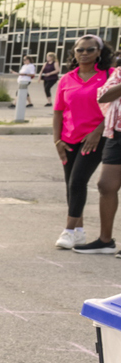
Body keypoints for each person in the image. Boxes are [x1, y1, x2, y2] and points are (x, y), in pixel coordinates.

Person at [54, 36, 116, 251]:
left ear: (99, 52)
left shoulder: (109, 75)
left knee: (78, 181)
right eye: (80, 49)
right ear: (74, 52)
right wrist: (57, 140)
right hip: (68, 138)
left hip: (95, 138)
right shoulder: (67, 78)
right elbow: (59, 111)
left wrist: (97, 132)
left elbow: (113, 108)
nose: (85, 53)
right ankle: (79, 232)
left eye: (90, 49)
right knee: (70, 184)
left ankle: (69, 231)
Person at [92, 64, 121, 255]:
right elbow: (103, 96)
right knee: (106, 185)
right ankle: (105, 241)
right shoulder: (119, 72)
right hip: (116, 134)